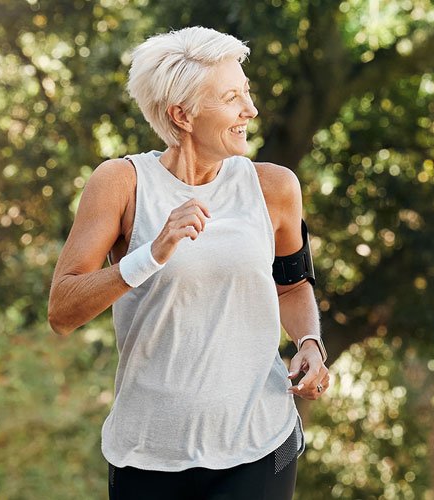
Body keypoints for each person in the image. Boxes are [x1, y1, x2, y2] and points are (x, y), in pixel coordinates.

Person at [47, 27, 329, 499]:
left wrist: (310, 343)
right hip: (147, 453)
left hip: (260, 443)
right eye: (232, 97)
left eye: (247, 92)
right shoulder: (122, 183)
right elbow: (62, 311)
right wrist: (151, 254)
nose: (250, 110)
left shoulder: (275, 187)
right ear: (182, 114)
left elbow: (293, 286)